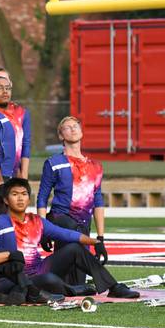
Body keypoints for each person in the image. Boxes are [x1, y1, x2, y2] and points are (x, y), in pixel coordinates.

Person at [0, 178, 138, 299]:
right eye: (15, 194)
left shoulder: (36, 221)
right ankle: (72, 290)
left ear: (28, 199)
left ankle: (114, 287)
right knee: (49, 279)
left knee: (74, 248)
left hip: (39, 269)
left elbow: (66, 234)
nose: (20, 198)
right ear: (6, 200)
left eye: (24, 194)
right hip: (15, 277)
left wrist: (97, 242)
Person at [37, 116, 107, 283]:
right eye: (67, 127)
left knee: (77, 281)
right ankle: (107, 283)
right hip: (62, 220)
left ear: (82, 132)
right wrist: (42, 230)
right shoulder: (54, 163)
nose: (73, 129)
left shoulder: (95, 167)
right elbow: (42, 198)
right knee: (73, 235)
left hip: (84, 225)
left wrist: (101, 238)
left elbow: (98, 201)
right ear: (61, 136)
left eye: (76, 126)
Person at [0, 75, 31, 226]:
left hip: (12, 178)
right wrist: (1, 184)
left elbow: (21, 148)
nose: (4, 91)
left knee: (13, 227)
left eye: (8, 88)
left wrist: (21, 177)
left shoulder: (13, 117)